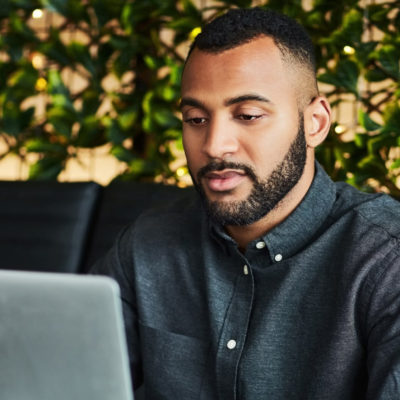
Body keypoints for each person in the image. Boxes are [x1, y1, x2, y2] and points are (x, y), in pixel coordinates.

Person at [91, 7, 400, 399]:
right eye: (196, 118)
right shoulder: (148, 244)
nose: (215, 145)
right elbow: (61, 374)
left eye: (248, 115)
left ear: (315, 123)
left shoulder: (385, 260)